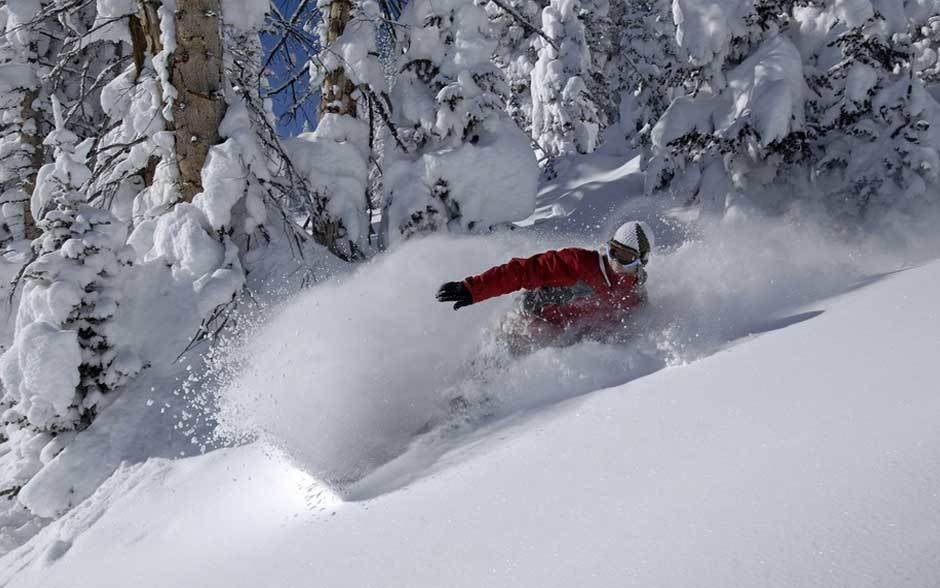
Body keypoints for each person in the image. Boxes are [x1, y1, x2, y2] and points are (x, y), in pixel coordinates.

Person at [436, 221, 654, 348]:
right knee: (499, 355)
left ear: (640, 261)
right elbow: (521, 271)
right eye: (613, 251)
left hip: (563, 337)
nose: (615, 260)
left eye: (625, 256)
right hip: (528, 318)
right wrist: (473, 289)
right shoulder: (579, 263)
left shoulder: (633, 295)